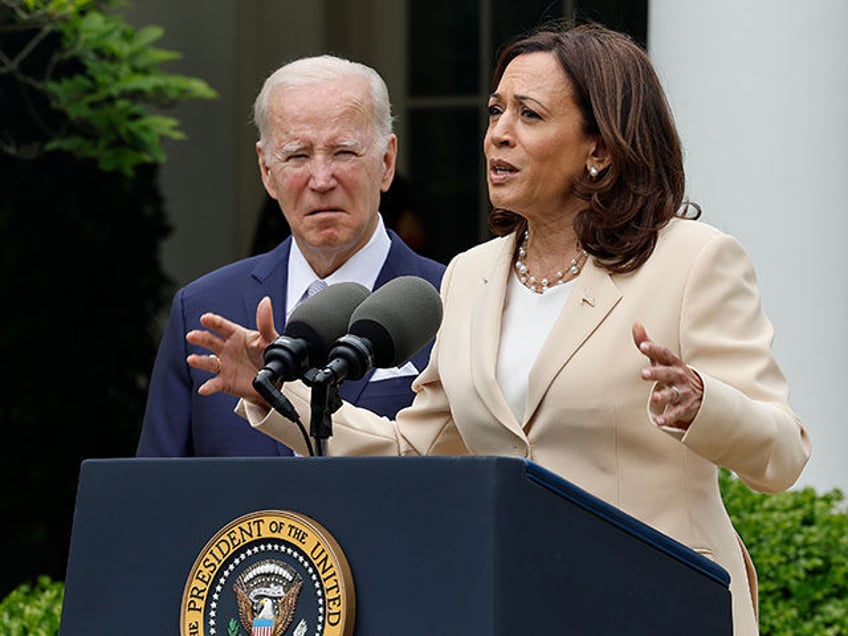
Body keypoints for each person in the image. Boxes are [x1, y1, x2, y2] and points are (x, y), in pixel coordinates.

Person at [185, 24, 811, 635]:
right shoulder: (470, 275)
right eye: (495, 112)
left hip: (657, 602)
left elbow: (782, 454)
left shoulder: (692, 261)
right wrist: (272, 391)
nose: (497, 137)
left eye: (529, 116)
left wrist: (703, 402)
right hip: (521, 603)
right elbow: (415, 450)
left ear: (599, 147)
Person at [136, 55, 445, 457]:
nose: (321, 180)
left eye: (344, 153)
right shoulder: (204, 310)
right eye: (297, 155)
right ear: (267, 170)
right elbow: (158, 492)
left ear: (386, 162)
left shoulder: (453, 301)